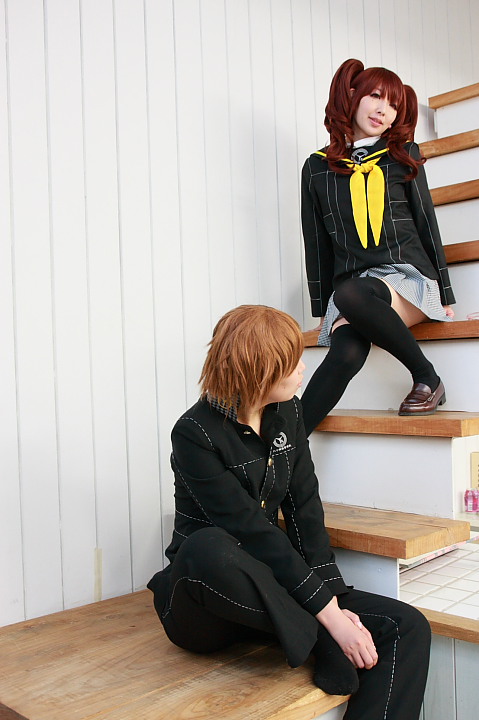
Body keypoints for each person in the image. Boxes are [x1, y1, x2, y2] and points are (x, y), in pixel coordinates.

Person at [147, 304, 430, 720]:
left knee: (407, 625)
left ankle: (314, 629)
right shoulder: (194, 432)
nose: (302, 368)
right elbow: (249, 531)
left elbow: (304, 508)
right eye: (291, 362)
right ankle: (318, 636)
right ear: (259, 371)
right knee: (208, 547)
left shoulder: (289, 412)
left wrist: (332, 596)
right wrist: (331, 620)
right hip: (209, 602)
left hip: (278, 596)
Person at [300, 59, 455, 436]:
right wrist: (321, 310)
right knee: (346, 351)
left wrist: (446, 294)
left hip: (407, 278)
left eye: (393, 104)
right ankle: (283, 450)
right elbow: (317, 242)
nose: (383, 109)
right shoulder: (316, 168)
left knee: (351, 293)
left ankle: (426, 376)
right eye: (375, 96)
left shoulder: (403, 154)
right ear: (352, 96)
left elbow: (426, 224)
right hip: (357, 286)